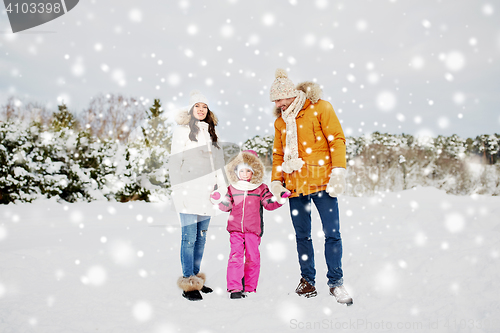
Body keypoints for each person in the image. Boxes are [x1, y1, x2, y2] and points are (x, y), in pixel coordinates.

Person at [268, 69, 353, 305]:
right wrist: (276, 181)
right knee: (302, 236)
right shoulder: (280, 122)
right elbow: (277, 154)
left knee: (332, 234)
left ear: (292, 94)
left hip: (322, 182)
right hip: (295, 187)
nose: (278, 104)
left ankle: (336, 283)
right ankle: (308, 281)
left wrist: (338, 172)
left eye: (280, 99)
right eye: (274, 101)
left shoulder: (321, 108)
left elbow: (336, 139)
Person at [169, 91, 226, 301]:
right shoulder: (182, 131)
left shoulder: (212, 133)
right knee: (189, 238)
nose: (201, 109)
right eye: (197, 106)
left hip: (208, 194)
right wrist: (178, 190)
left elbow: (218, 165)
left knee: (201, 238)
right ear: (191, 109)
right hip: (188, 192)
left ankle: (196, 278)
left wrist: (221, 188)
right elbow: (175, 163)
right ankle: (188, 282)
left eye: (204, 106)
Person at [210, 150, 283, 299]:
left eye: (248, 171)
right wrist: (217, 198)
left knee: (253, 258)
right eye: (241, 170)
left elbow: (268, 204)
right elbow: (226, 205)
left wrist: (280, 198)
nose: (244, 174)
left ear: (254, 172)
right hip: (235, 229)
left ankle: (249, 287)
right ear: (236, 171)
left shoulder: (260, 188)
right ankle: (235, 288)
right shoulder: (232, 188)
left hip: (253, 230)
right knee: (236, 257)